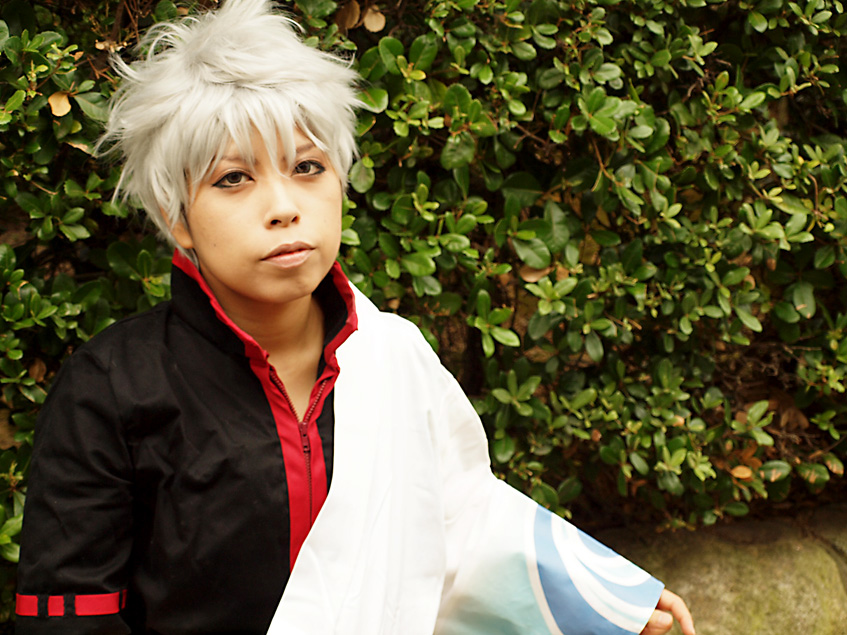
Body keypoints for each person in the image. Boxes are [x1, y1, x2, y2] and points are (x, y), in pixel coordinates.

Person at [15, 1, 696, 633]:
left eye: (308, 167)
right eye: (233, 178)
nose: (284, 206)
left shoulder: (391, 355)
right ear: (177, 218)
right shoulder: (113, 388)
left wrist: (605, 601)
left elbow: (464, 523)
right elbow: (70, 609)